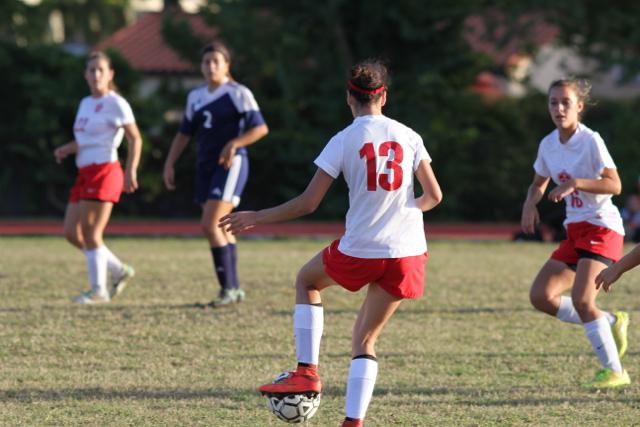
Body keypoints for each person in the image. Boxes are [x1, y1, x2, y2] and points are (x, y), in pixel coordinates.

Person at [220, 59, 442, 427]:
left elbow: (308, 203)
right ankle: (352, 423)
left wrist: (256, 215)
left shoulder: (344, 139)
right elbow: (433, 195)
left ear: (348, 98)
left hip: (362, 247)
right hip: (407, 251)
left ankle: (307, 370)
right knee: (365, 342)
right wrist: (403, 210)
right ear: (383, 96)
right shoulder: (409, 135)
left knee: (307, 281)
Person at [521, 78, 630, 388]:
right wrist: (530, 203)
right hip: (576, 230)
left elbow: (614, 185)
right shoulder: (548, 144)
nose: (558, 108)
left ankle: (616, 372)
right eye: (553, 102)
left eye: (565, 102)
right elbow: (538, 182)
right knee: (541, 296)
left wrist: (577, 182)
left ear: (579, 107)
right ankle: (609, 322)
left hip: (602, 226)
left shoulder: (591, 140)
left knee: (583, 301)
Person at [163, 41, 268, 307]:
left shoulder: (238, 92)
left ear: (226, 66)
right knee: (223, 227)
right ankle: (234, 290)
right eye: (206, 62)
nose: (210, 66)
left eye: (216, 62)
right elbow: (184, 133)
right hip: (205, 165)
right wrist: (170, 162)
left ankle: (228, 289)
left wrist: (235, 143)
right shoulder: (195, 96)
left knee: (210, 224)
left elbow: (260, 128)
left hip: (231, 165)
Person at [54, 51, 142, 304]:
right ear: (85, 75)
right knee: (72, 233)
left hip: (105, 171)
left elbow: (135, 138)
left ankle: (98, 290)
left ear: (110, 74)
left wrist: (130, 170)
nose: (96, 75)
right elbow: (85, 140)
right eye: (91, 70)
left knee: (92, 234)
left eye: (101, 70)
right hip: (84, 171)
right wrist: (67, 148)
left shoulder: (117, 103)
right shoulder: (85, 103)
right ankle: (118, 270)